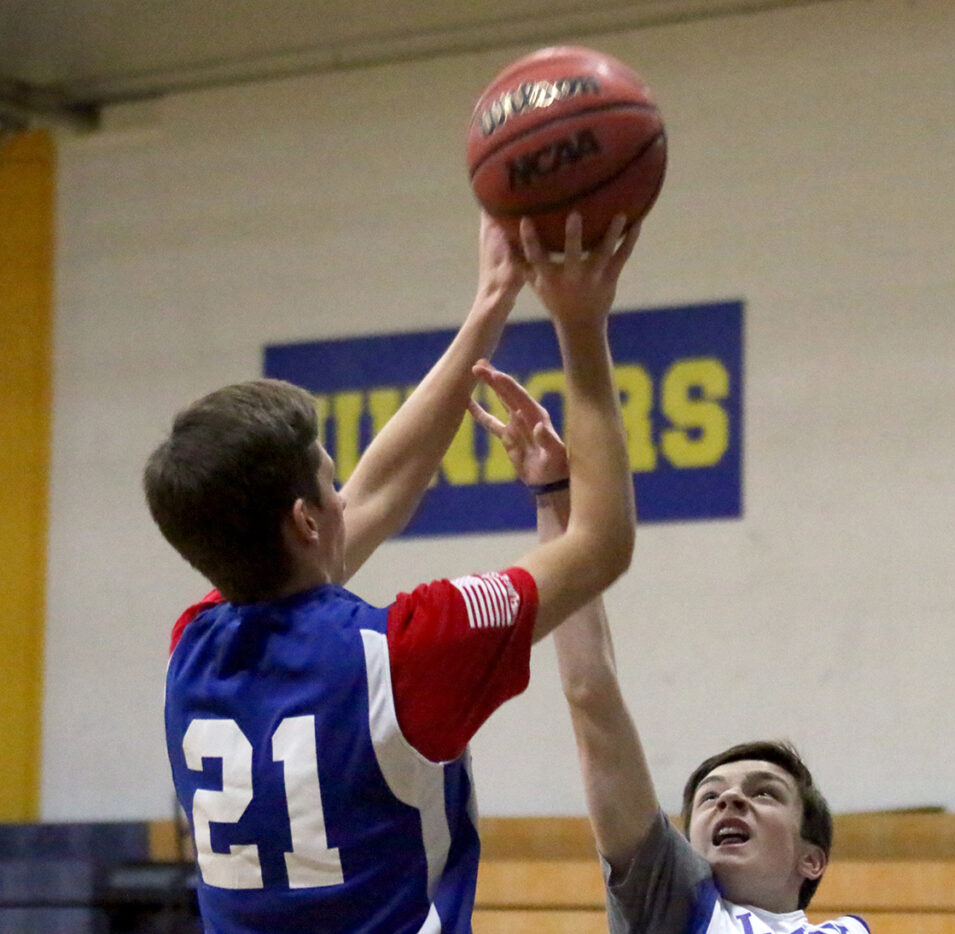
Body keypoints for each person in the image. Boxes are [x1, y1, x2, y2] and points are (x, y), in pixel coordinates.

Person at [143, 211, 639, 934]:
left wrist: (492, 301)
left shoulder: (191, 647)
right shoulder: (405, 654)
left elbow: (380, 492)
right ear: (306, 521)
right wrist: (581, 322)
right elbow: (602, 543)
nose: (346, 496)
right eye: (329, 482)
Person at [470, 370, 871, 934]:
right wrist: (554, 498)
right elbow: (591, 692)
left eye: (765, 794)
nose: (731, 802)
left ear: (812, 859)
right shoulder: (674, 905)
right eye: (710, 797)